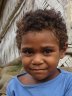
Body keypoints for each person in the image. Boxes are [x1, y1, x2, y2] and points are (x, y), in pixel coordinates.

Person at [6, 9, 72, 96]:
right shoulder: (14, 86)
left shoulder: (68, 83)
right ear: (20, 51)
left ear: (62, 51)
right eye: (28, 52)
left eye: (47, 51)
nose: (37, 61)